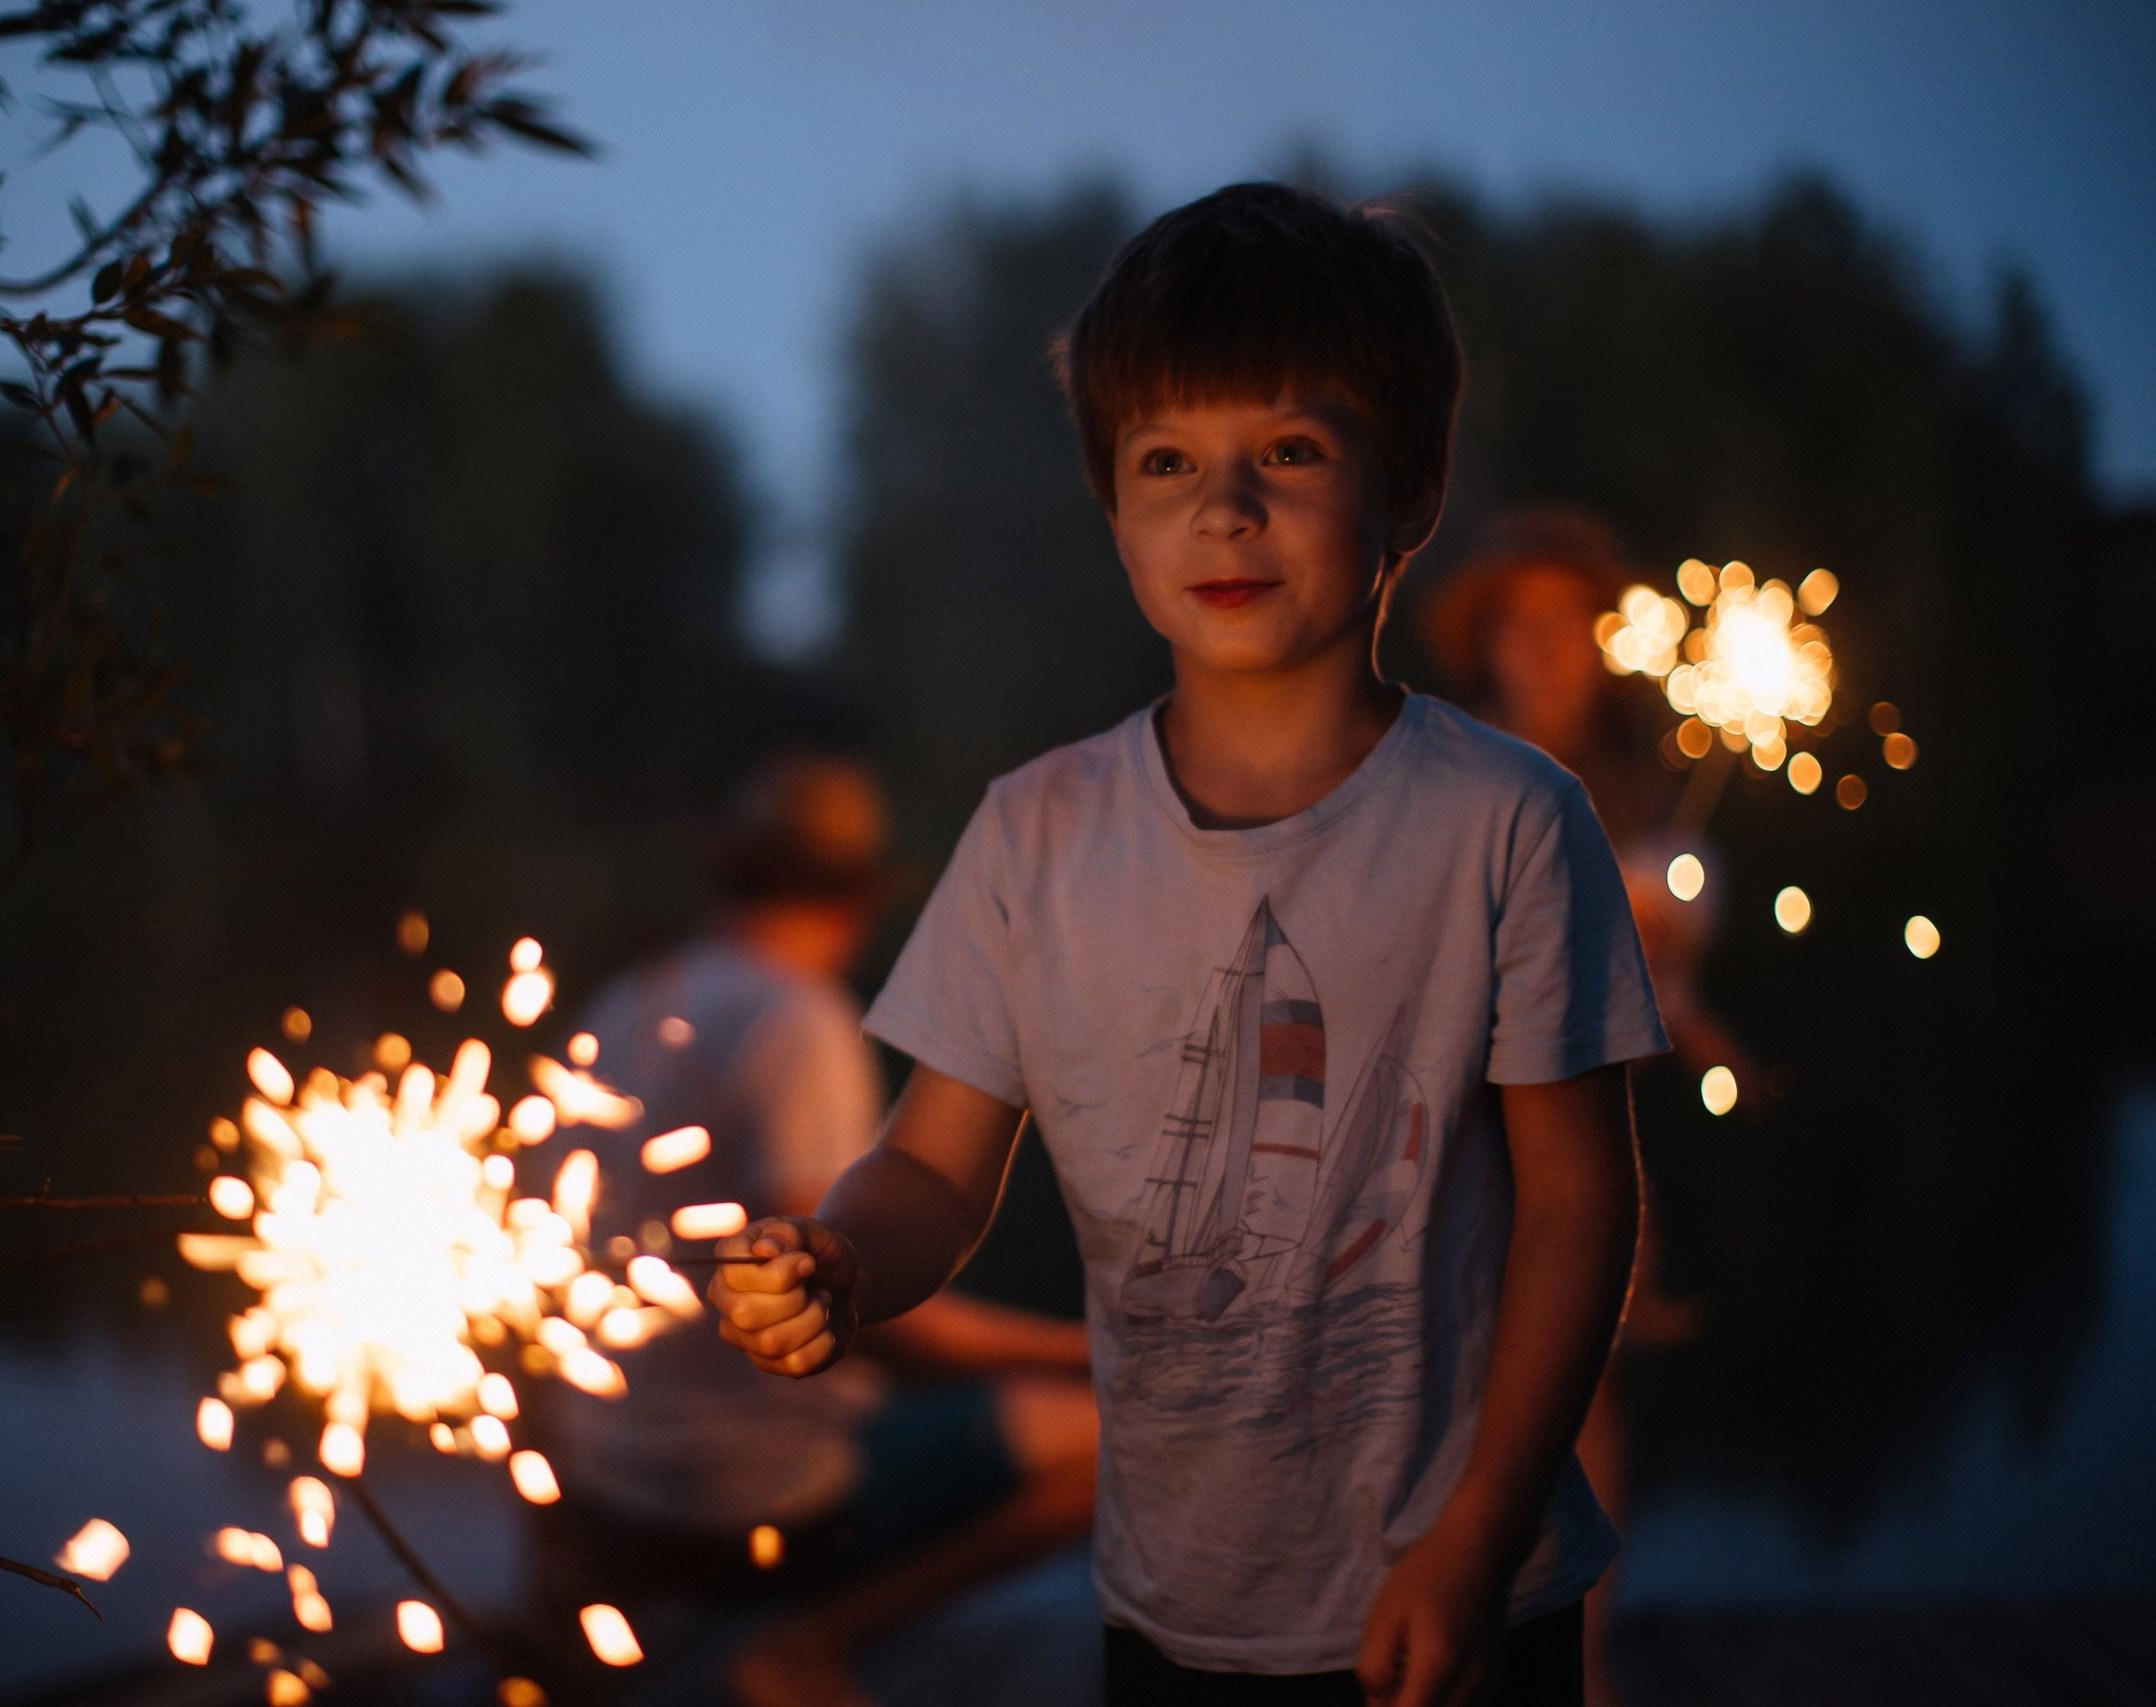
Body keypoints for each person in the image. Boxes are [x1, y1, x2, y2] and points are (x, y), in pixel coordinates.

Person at [708, 182, 1668, 1707]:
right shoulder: (1035, 833)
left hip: (1464, 1589)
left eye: (1289, 450)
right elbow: (934, 1169)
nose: (1225, 508)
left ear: (1407, 492)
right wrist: (837, 1253)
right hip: (1169, 1607)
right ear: (1115, 514)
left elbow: (1577, 1205)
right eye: (1167, 462)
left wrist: (1479, 1533)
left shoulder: (1508, 820)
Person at [537, 753, 1096, 1707]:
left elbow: (542, 1285)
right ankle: (809, 1647)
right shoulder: (798, 1023)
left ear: (728, 873)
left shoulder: (627, 1004)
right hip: (755, 1496)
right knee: (1103, 1439)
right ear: (856, 903)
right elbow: (867, 1313)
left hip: (611, 1483)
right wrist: (1085, 1351)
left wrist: (553, 1552)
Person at [1424, 510, 1728, 1705]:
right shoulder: (1444, 769)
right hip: (1459, 1145)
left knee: (1588, 1386)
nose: (1545, 648)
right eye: (1521, 623)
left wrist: (1703, 1024)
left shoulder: (1639, 785)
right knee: (1449, 1398)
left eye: (1568, 623)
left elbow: (1653, 990)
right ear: (1485, 640)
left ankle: (1583, 1668)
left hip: (1593, 1150)